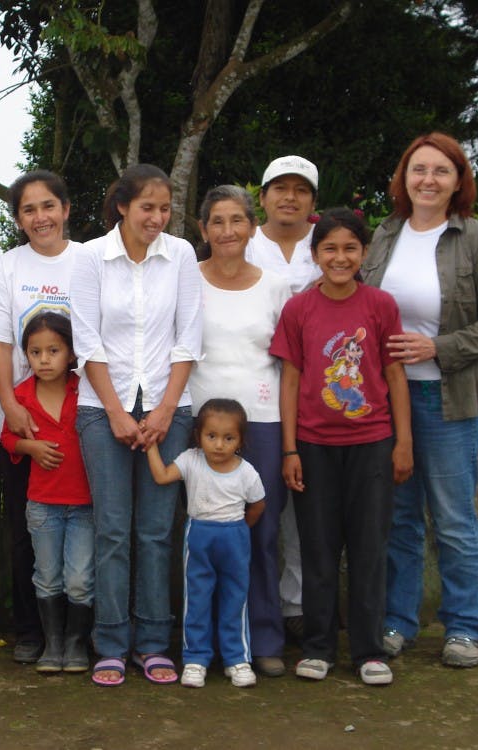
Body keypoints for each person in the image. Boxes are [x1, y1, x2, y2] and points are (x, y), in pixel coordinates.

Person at [362, 133, 478, 668]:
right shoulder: (385, 235)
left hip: (450, 399)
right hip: (387, 399)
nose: (428, 180)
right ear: (404, 178)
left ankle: (466, 628)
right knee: (398, 520)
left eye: (441, 171)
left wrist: (438, 346)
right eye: (418, 170)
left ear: (458, 181)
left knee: (453, 519)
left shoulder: (475, 238)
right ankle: (397, 623)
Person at [71, 163, 203, 686]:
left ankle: (152, 643)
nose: (157, 217)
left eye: (165, 208)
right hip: (102, 411)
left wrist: (166, 410)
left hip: (171, 409)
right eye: (147, 207)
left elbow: (188, 337)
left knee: (155, 533)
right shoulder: (89, 257)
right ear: (122, 206)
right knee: (112, 532)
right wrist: (119, 413)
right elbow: (86, 342)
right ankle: (109, 642)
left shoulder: (183, 255)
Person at [271, 207, 413, 686]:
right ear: (315, 256)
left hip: (373, 443)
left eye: (350, 248)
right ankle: (318, 647)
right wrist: (289, 450)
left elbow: (395, 376)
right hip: (313, 447)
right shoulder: (299, 310)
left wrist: (402, 442)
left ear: (364, 253)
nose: (339, 257)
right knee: (317, 548)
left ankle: (370, 651)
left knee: (370, 547)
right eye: (329, 248)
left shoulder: (380, 306)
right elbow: (290, 379)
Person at [188, 185, 292, 678]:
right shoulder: (188, 281)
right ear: (203, 229)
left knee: (261, 532)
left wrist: (289, 441)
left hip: (262, 424)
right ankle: (199, 645)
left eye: (237, 220)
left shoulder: (276, 286)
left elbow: (289, 364)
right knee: (201, 536)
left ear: (252, 226)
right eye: (217, 221)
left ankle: (265, 638)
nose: (227, 231)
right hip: (201, 426)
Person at [0, 170, 81, 662]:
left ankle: (82, 634)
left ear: (65, 209)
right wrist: (10, 405)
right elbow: (0, 341)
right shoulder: (6, 267)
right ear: (18, 219)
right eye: (28, 209)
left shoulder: (90, 260)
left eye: (48, 206)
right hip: (26, 414)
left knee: (87, 528)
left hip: (81, 410)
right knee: (27, 530)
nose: (40, 217)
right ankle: (31, 630)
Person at [245, 155, 322, 642]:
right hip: (256, 390)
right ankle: (259, 610)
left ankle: (298, 605)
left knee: (304, 502)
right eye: (279, 188)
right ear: (264, 196)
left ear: (313, 200)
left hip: (320, 389)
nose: (289, 197)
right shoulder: (245, 242)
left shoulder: (327, 243)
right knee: (262, 505)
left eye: (300, 189)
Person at [147, 399, 266, 689]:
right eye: (211, 436)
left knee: (234, 599)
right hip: (199, 536)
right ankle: (195, 659)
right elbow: (162, 476)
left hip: (235, 537)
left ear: (240, 440)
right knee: (197, 600)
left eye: (229, 438)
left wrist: (239, 530)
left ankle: (237, 659)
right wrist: (150, 446)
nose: (219, 445)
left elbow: (258, 505)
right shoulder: (190, 460)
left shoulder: (247, 472)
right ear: (199, 435)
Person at [0, 312, 93, 674]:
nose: (44, 359)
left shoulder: (85, 389)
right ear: (26, 356)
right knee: (47, 575)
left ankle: (76, 643)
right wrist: (30, 447)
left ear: (70, 354)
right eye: (35, 352)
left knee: (80, 578)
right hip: (41, 505)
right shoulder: (21, 395)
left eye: (53, 350)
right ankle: (52, 644)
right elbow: (7, 438)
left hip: (84, 504)